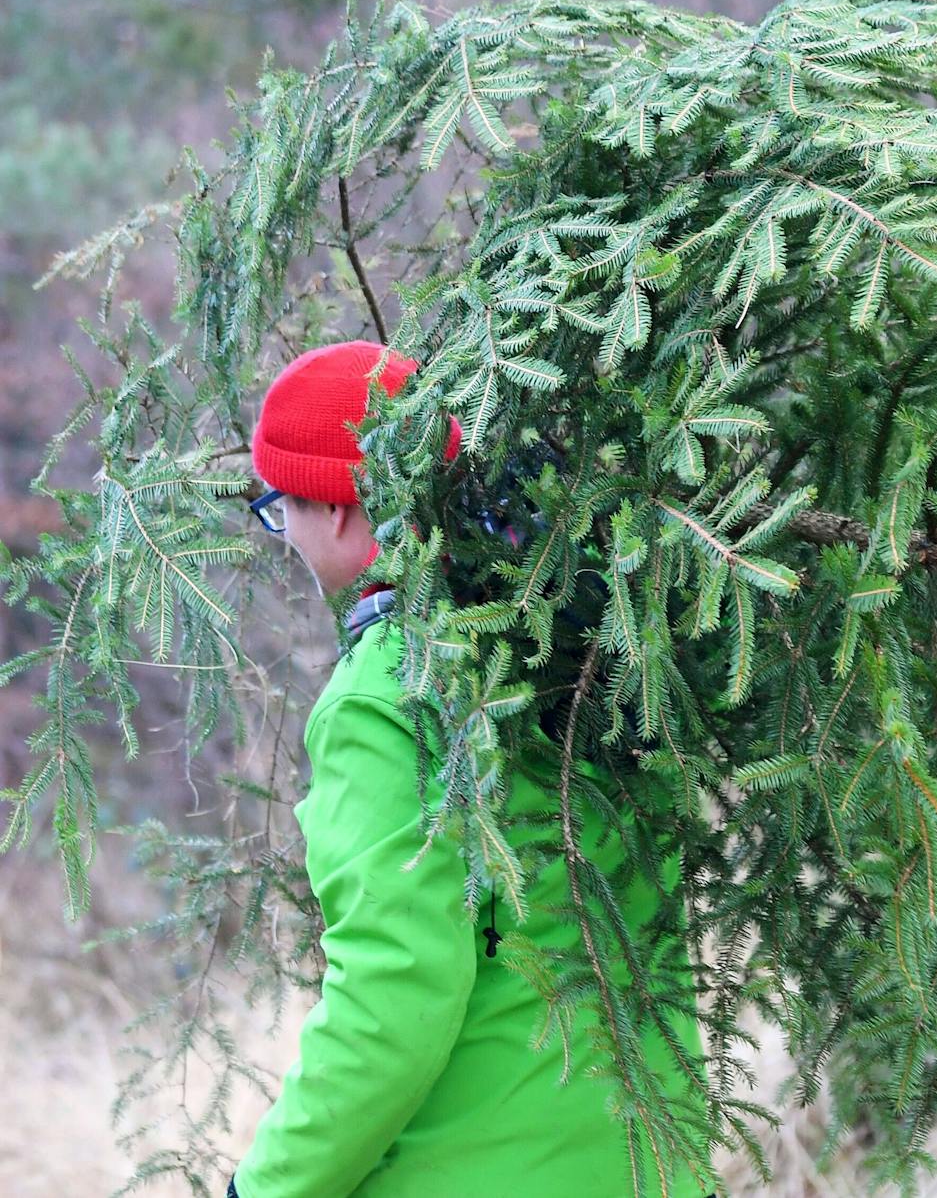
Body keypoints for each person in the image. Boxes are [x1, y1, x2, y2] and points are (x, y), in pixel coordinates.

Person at [232, 340, 713, 1197]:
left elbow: (393, 998)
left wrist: (264, 1189)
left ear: (339, 510)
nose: (287, 538)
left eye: (281, 510)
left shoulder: (386, 697)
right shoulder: (591, 630)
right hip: (654, 1166)